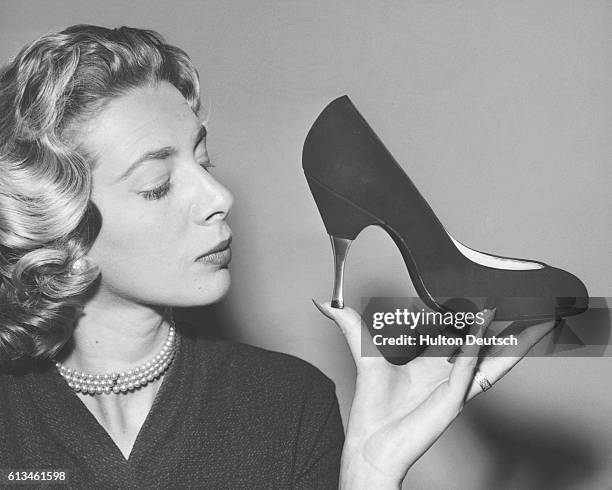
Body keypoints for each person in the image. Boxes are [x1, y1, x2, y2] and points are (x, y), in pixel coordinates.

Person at [0, 24, 557, 489]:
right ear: (57, 226)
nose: (220, 199)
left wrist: (370, 470)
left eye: (205, 162)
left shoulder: (288, 405)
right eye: (156, 185)